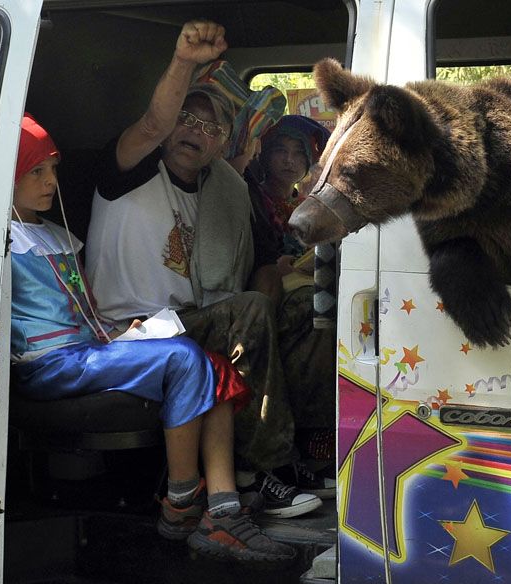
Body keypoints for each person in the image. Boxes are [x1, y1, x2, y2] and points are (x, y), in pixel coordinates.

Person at [9, 113, 294, 564]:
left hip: (88, 351)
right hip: (46, 364)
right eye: (36, 172)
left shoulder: (57, 236)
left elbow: (86, 316)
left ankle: (223, 509)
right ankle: (181, 502)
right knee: (182, 358)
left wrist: (125, 336)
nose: (50, 182)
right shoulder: (0, 244)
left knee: (213, 364)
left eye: (53, 170)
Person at [86, 20, 323, 518]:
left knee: (290, 312)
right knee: (252, 311)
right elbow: (152, 123)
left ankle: (271, 462)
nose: (196, 131)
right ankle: (270, 471)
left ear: (221, 146)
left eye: (211, 127)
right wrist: (184, 62)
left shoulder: (224, 192)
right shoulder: (130, 171)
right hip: (126, 331)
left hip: (184, 321)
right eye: (187, 120)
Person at [240, 115, 337, 496]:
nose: (289, 160)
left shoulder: (301, 204)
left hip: (294, 284)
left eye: (299, 153)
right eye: (281, 149)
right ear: (264, 154)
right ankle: (311, 443)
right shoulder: (253, 197)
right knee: (319, 312)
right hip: (268, 295)